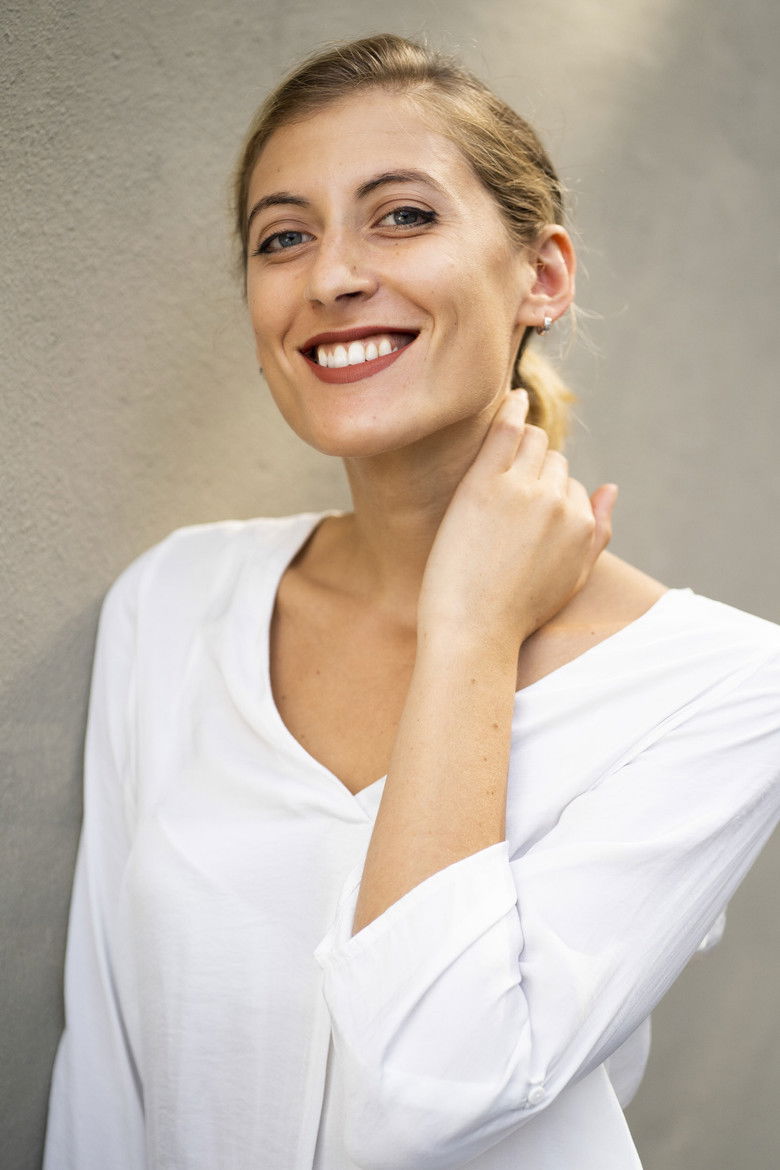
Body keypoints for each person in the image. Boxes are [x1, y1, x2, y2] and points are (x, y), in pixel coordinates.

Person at [43, 32, 780, 1170]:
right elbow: (104, 1074)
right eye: (284, 237)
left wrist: (472, 630)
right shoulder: (175, 602)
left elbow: (437, 1090)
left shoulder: (724, 689)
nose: (331, 276)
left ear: (543, 276)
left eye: (401, 216)